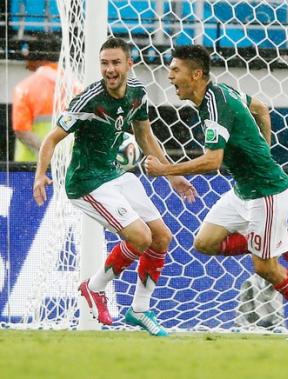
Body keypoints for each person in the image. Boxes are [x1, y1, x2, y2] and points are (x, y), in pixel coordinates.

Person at [144, 45, 288, 341]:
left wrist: (166, 170)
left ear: (196, 74)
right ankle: (277, 240)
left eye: (175, 70)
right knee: (204, 242)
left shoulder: (215, 105)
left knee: (265, 267)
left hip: (267, 192)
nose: (169, 76)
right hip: (243, 190)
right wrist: (263, 149)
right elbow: (261, 109)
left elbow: (212, 161)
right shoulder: (219, 92)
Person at [33, 37, 197, 336]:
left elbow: (145, 137)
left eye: (115, 62)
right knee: (140, 238)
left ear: (128, 64)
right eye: (105, 63)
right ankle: (94, 287)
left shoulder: (137, 93)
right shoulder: (88, 100)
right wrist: (40, 174)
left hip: (115, 173)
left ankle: (140, 310)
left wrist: (172, 174)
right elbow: (52, 139)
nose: (110, 69)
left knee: (161, 237)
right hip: (86, 183)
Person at [12, 35, 60, 162]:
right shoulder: (75, 86)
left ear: (36, 58)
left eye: (28, 59)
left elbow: (21, 131)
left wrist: (48, 153)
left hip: (29, 167)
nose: (27, 65)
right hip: (68, 163)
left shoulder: (24, 88)